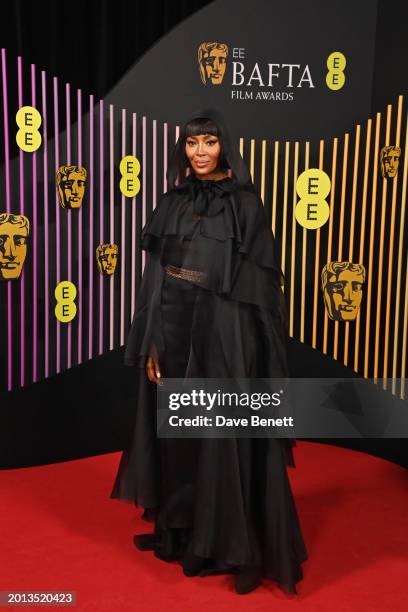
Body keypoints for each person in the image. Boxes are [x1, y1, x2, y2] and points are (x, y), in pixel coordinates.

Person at [110, 108, 308, 595]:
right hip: (175, 329)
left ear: (224, 147)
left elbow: (262, 285)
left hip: (226, 333)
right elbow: (155, 277)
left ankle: (235, 547)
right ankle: (182, 533)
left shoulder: (245, 202)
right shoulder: (171, 201)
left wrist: (250, 353)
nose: (201, 152)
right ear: (184, 148)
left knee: (226, 437)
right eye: (193, 143)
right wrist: (153, 336)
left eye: (210, 142)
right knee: (181, 438)